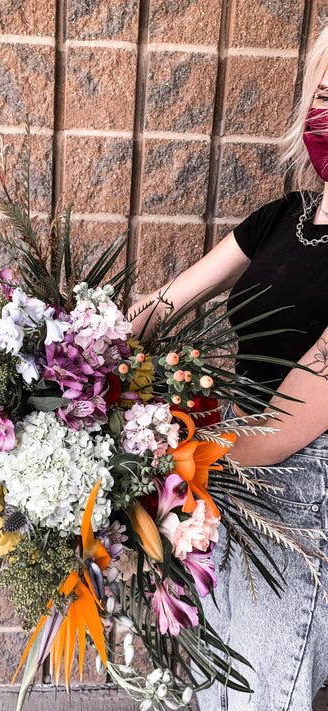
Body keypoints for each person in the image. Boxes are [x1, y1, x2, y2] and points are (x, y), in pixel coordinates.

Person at [129, 24, 328, 711]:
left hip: (303, 491)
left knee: (260, 690)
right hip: (231, 464)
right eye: (324, 94)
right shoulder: (282, 218)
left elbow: (291, 422)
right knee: (212, 677)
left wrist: (168, 450)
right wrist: (78, 354)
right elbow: (164, 302)